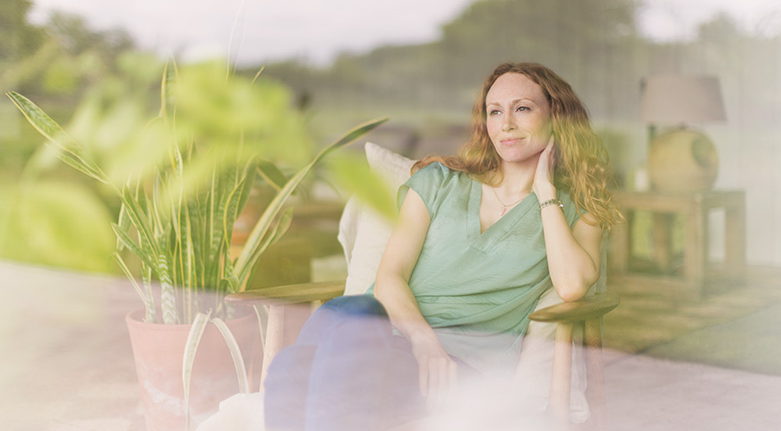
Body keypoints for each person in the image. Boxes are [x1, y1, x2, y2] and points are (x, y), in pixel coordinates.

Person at [262, 62, 622, 431]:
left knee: (292, 367)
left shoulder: (577, 206)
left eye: (523, 108)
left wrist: (545, 191)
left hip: (463, 365)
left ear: (557, 115)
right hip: (389, 334)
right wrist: (425, 343)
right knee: (351, 312)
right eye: (495, 111)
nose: (507, 124)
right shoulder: (440, 182)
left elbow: (572, 286)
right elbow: (389, 277)